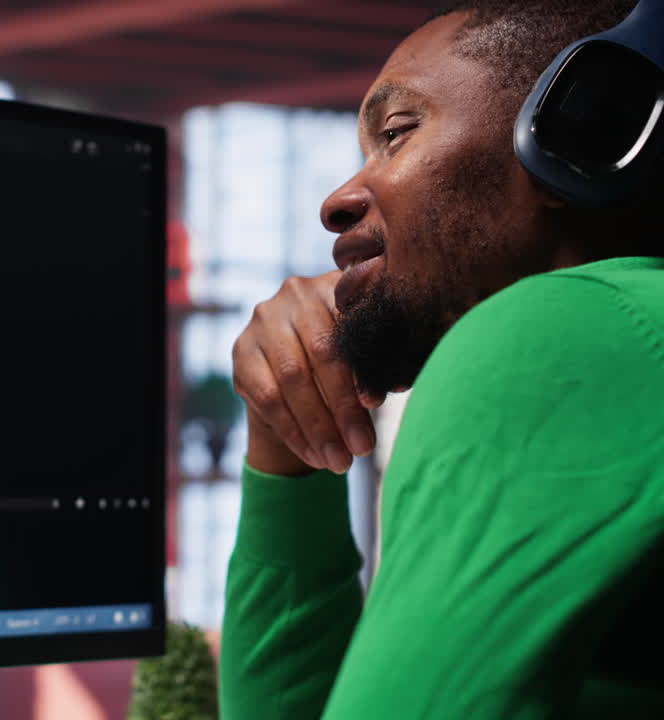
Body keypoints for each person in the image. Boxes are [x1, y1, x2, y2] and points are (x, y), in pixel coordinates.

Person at [220, 1, 664, 717]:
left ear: (583, 125)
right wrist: (287, 449)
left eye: (396, 134)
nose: (336, 202)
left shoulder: (561, 330)